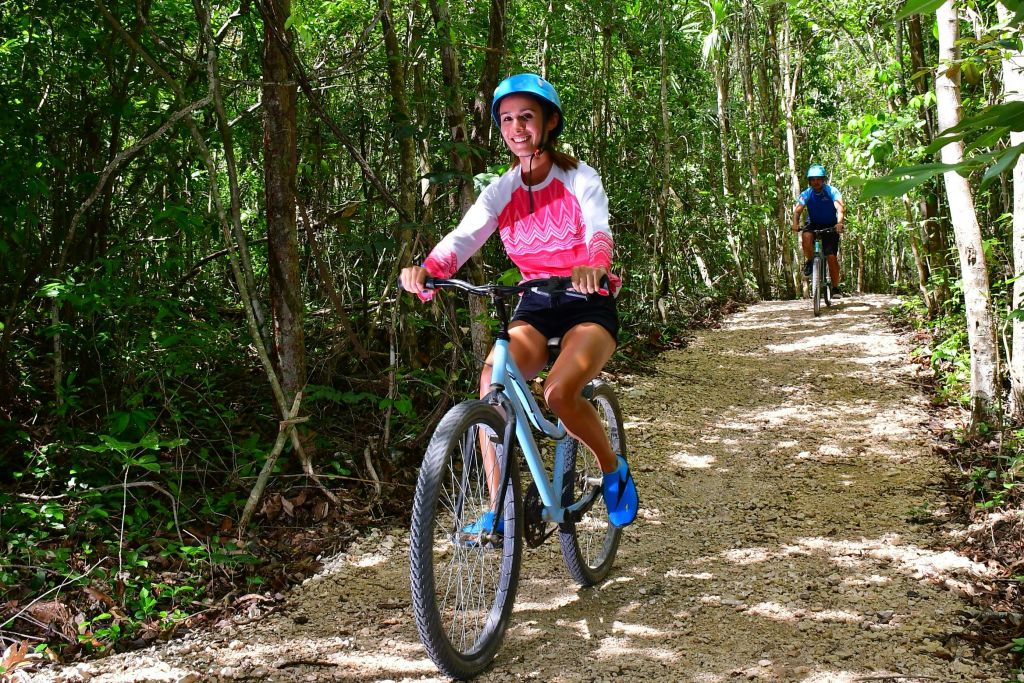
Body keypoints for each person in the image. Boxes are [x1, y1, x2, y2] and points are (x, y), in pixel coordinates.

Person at [399, 73, 638, 528]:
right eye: (507, 119)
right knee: (492, 376)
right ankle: (498, 509)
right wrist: (430, 270)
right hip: (534, 303)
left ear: (549, 122)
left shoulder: (578, 177)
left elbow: (598, 227)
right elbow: (464, 236)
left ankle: (613, 469)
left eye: (526, 117)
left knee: (558, 391)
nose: (516, 128)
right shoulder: (502, 189)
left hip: (587, 300)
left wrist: (595, 262)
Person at [792, 163, 846, 298]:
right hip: (814, 223)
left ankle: (835, 288)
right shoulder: (807, 193)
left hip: (830, 225)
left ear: (823, 180)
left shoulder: (831, 191)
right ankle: (810, 261)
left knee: (831, 257)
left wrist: (839, 223)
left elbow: (840, 208)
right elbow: (798, 211)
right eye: (813, 179)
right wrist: (794, 224)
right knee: (806, 237)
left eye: (818, 179)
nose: (815, 182)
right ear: (809, 181)